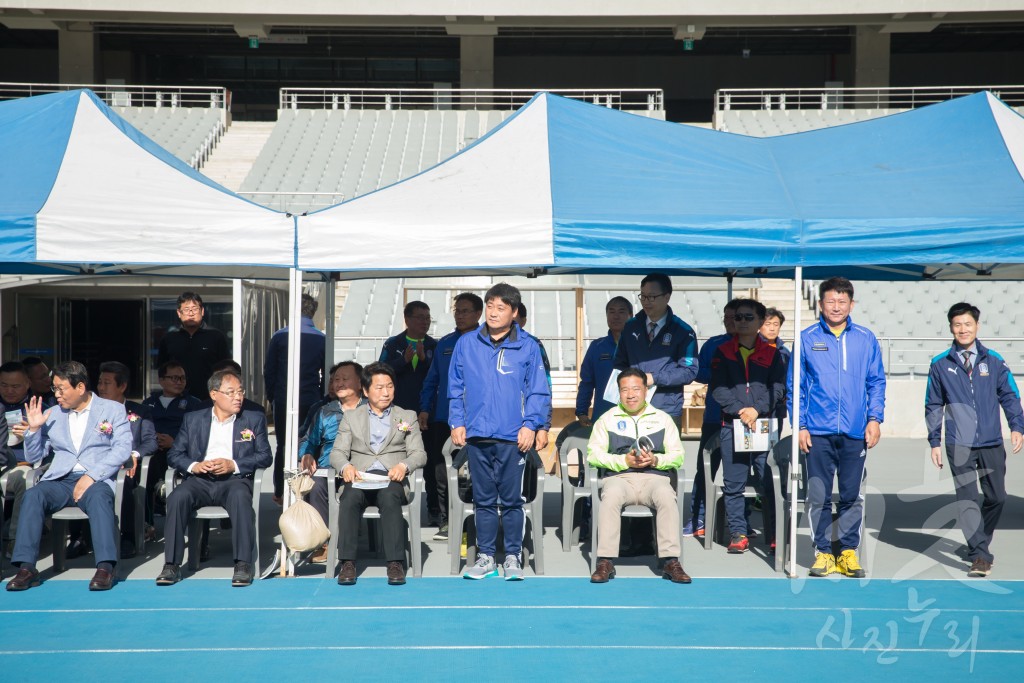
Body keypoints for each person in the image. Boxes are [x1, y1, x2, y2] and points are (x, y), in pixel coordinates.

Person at [449, 282, 551, 581]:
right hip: (478, 435)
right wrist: (457, 422)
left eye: (501, 308)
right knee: (482, 499)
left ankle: (513, 557)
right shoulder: (467, 343)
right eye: (490, 306)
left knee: (511, 500)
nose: (493, 313)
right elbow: (455, 387)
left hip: (513, 437)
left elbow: (538, 391)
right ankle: (484, 557)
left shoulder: (528, 346)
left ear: (514, 312)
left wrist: (531, 425)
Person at [6, 361, 132, 592]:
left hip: (96, 478)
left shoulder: (112, 409)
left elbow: (122, 449)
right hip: (61, 479)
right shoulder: (52, 413)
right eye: (55, 388)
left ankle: (105, 566)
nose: (57, 394)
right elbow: (35, 456)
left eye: (61, 388)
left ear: (81, 387)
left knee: (99, 499)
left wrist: (92, 476)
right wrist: (33, 431)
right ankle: (26, 567)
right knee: (33, 496)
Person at [790, 276, 885, 578]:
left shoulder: (865, 338)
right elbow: (796, 387)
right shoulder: (806, 338)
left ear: (851, 304)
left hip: (855, 432)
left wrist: (874, 418)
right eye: (830, 301)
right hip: (817, 431)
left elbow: (876, 382)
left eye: (842, 301)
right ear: (820, 304)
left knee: (850, 495)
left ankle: (846, 552)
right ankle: (822, 553)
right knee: (817, 494)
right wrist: (801, 425)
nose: (836, 306)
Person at [925, 302, 1024, 578]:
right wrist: (934, 441)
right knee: (967, 500)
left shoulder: (993, 360)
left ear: (977, 326)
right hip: (959, 444)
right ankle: (979, 555)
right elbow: (933, 405)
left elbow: (1009, 395)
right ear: (951, 328)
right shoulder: (940, 364)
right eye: (957, 325)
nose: (963, 329)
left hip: (992, 440)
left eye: (967, 324)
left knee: (997, 497)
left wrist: (1018, 426)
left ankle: (979, 538)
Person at [156, 369, 272, 587]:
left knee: (240, 497)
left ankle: (242, 564)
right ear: (214, 394)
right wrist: (195, 465)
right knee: (177, 497)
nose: (238, 397)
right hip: (200, 480)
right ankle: (171, 564)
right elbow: (174, 454)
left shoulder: (253, 419)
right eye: (231, 392)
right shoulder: (193, 419)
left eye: (240, 391)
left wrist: (233, 464)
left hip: (234, 480)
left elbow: (265, 456)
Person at [587, 368, 691, 584]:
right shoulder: (606, 420)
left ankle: (671, 561)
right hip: (619, 478)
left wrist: (656, 461)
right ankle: (605, 561)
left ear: (646, 390)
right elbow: (593, 455)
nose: (630, 394)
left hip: (655, 478)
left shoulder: (663, 419)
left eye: (636, 389)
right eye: (624, 389)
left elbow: (678, 455)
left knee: (666, 495)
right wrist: (622, 461)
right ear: (618, 393)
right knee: (611, 496)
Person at [329, 362, 426, 586]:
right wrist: (346, 467)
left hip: (391, 478)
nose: (386, 392)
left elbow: (419, 454)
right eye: (379, 387)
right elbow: (337, 453)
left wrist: (404, 466)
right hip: (360, 477)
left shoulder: (407, 416)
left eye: (390, 387)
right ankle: (347, 562)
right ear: (365, 391)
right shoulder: (352, 417)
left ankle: (394, 562)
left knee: (390, 497)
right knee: (350, 497)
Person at [710, 299, 785, 554]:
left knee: (770, 482)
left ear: (760, 322)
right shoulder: (722, 352)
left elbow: (778, 388)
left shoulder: (773, 354)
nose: (741, 321)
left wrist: (757, 410)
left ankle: (775, 534)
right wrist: (740, 411)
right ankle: (738, 533)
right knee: (734, 484)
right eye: (738, 317)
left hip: (763, 424)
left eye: (748, 317)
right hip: (733, 426)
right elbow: (717, 389)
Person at [418, 292, 483, 541]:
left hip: (478, 420)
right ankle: (447, 521)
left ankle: (476, 521)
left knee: (478, 472)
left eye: (465, 310)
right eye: (457, 310)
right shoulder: (444, 344)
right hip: (443, 419)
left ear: (478, 314)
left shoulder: (489, 341)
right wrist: (425, 408)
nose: (460, 315)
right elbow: (432, 380)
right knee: (441, 472)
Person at [84, 361, 158, 559]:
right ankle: (81, 537)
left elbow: (151, 442)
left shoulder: (140, 412)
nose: (100, 388)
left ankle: (127, 536)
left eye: (107, 383)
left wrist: (133, 455)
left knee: (122, 481)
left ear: (122, 386)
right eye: (99, 382)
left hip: (126, 468)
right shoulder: (92, 412)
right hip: (96, 465)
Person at [684, 299, 740, 538]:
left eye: (735, 318)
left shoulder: (759, 348)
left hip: (745, 422)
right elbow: (698, 372)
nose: (730, 322)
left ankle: (741, 523)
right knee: (705, 470)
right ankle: (697, 519)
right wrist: (718, 370)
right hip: (714, 418)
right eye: (726, 317)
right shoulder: (713, 344)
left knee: (742, 473)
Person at [298, 360, 364, 562]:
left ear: (360, 383)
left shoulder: (370, 409)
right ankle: (323, 543)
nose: (340, 383)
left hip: (361, 470)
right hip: (329, 469)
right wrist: (306, 453)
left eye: (345, 379)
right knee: (316, 485)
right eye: (336, 379)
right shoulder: (325, 411)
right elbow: (309, 439)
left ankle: (347, 542)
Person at [613, 273, 699, 426]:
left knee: (667, 450)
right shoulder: (630, 326)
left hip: (667, 409)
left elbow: (689, 371)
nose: (646, 302)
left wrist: (654, 378)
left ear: (667, 297)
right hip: (632, 408)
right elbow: (619, 363)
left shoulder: (684, 332)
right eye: (643, 296)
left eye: (652, 297)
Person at [264, 293, 326, 504]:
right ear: (313, 312)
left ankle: (281, 491)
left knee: (283, 445)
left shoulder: (280, 336)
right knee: (310, 444)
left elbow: (269, 370)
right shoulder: (321, 337)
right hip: (312, 398)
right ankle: (308, 489)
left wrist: (272, 396)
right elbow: (326, 373)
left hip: (284, 398)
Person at [0, 361, 55, 556]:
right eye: (4, 385)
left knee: (26, 480)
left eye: (15, 386)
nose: (9, 391)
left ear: (27, 384)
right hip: (2, 465)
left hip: (25, 466)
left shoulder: (40, 408)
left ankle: (15, 539)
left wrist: (32, 435)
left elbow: (51, 446)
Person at [142, 361, 202, 534]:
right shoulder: (148, 403)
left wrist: (174, 442)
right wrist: (152, 439)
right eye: (174, 378)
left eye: (182, 378)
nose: (179, 382)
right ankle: (147, 524)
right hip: (155, 452)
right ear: (161, 380)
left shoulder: (193, 404)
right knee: (144, 472)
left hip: (182, 453)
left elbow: (199, 436)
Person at [157, 291, 231, 400]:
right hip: (176, 397)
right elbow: (162, 369)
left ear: (202, 311)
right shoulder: (169, 338)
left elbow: (226, 368)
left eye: (195, 309)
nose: (191, 313)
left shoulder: (216, 336)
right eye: (186, 309)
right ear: (179, 313)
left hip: (208, 397)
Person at [576, 296, 633, 427]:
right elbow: (587, 382)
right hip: (603, 417)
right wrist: (581, 411)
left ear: (631, 315)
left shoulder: (640, 346)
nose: (616, 316)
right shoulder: (596, 347)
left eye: (621, 312)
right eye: (611, 312)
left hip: (634, 416)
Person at [380, 301, 437, 415]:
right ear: (407, 319)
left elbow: (439, 375)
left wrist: (424, 360)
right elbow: (380, 371)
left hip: (427, 410)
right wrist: (403, 360)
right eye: (420, 318)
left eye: (427, 318)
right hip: (397, 408)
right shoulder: (392, 343)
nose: (425, 322)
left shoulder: (435, 345)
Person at [512, 303, 551, 452]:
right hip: (498, 429)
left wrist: (543, 427)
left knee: (528, 473)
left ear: (524, 321)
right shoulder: (488, 345)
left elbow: (545, 387)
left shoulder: (533, 344)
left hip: (529, 424)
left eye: (515, 320)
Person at [760, 307, 791, 434]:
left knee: (773, 446)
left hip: (776, 408)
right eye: (767, 324)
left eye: (776, 324)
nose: (772, 328)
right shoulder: (751, 349)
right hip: (755, 407)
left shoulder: (784, 352)